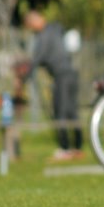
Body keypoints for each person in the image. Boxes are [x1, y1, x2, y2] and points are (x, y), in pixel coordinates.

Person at [20, 10, 83, 160]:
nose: (31, 28)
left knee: (60, 112)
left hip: (62, 76)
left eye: (30, 25)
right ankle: (77, 147)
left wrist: (23, 79)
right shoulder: (56, 28)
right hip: (71, 74)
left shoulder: (43, 36)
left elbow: (37, 59)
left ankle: (65, 148)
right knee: (71, 111)